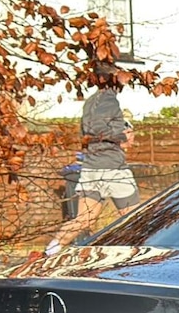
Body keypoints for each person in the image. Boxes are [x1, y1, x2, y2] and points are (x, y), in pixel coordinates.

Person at [45, 61, 138, 256]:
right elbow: (99, 131)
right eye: (118, 78)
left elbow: (90, 133)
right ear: (108, 79)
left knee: (84, 219)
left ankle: (49, 251)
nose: (121, 82)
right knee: (135, 219)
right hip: (113, 169)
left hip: (91, 168)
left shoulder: (90, 102)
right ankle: (135, 261)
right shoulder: (109, 101)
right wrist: (123, 136)